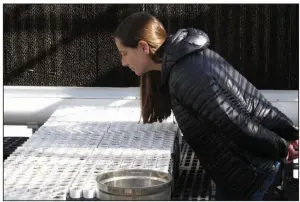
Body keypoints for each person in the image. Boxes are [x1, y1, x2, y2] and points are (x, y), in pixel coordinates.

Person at [113, 12, 299, 200]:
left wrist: (283, 147)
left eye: (124, 54)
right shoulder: (187, 62)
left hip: (249, 176)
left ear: (143, 47)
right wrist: (290, 133)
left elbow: (237, 125)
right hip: (242, 172)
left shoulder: (186, 74)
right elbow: (254, 102)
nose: (123, 62)